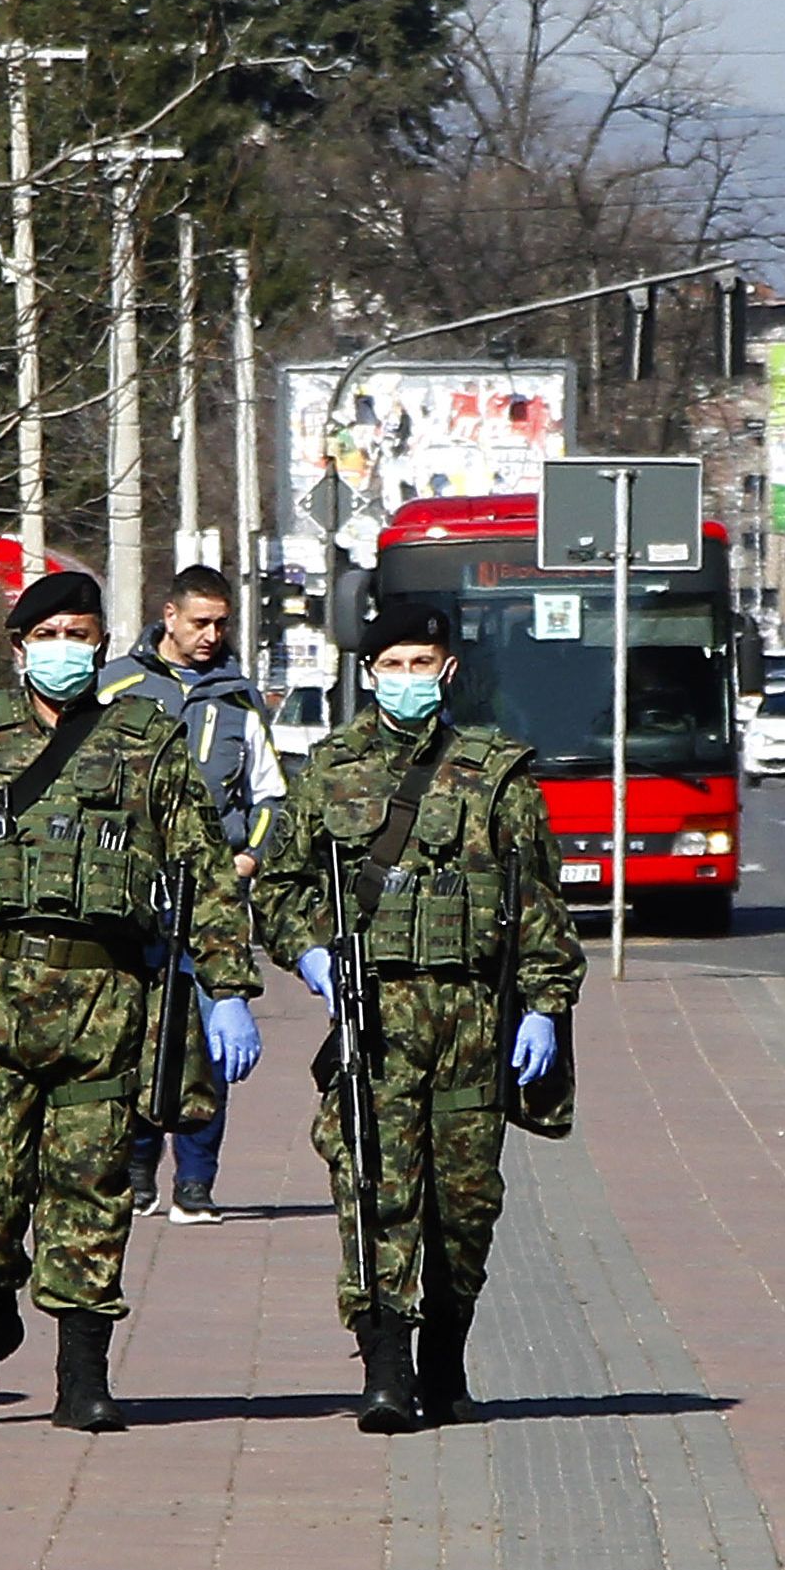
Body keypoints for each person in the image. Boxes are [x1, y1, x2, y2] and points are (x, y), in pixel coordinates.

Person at [0, 570, 264, 1431]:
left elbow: (202, 867)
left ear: (101, 644)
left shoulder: (147, 739)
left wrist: (230, 987)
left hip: (104, 999)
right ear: (20, 649)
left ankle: (82, 1368)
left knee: (89, 1185)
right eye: (48, 635)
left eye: (81, 635)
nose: (66, 650)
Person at [256, 601, 584, 1432]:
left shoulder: (498, 773)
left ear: (447, 670)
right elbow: (279, 887)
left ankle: (446, 1361)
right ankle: (387, 1372)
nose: (406, 677)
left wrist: (544, 1003)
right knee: (375, 1186)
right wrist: (312, 953)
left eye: (421, 661)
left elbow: (538, 900)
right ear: (369, 672)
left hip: (473, 1017)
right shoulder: (329, 771)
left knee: (465, 1203)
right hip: (379, 1014)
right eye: (391, 663)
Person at [99, 565, 288, 1226]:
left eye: (221, 623)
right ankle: (137, 1169)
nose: (211, 634)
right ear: (169, 616)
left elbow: (271, 796)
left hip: (213, 895)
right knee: (135, 1032)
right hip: (133, 893)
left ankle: (198, 1181)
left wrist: (248, 856)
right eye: (200, 621)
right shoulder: (116, 687)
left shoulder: (238, 701)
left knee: (212, 1036)